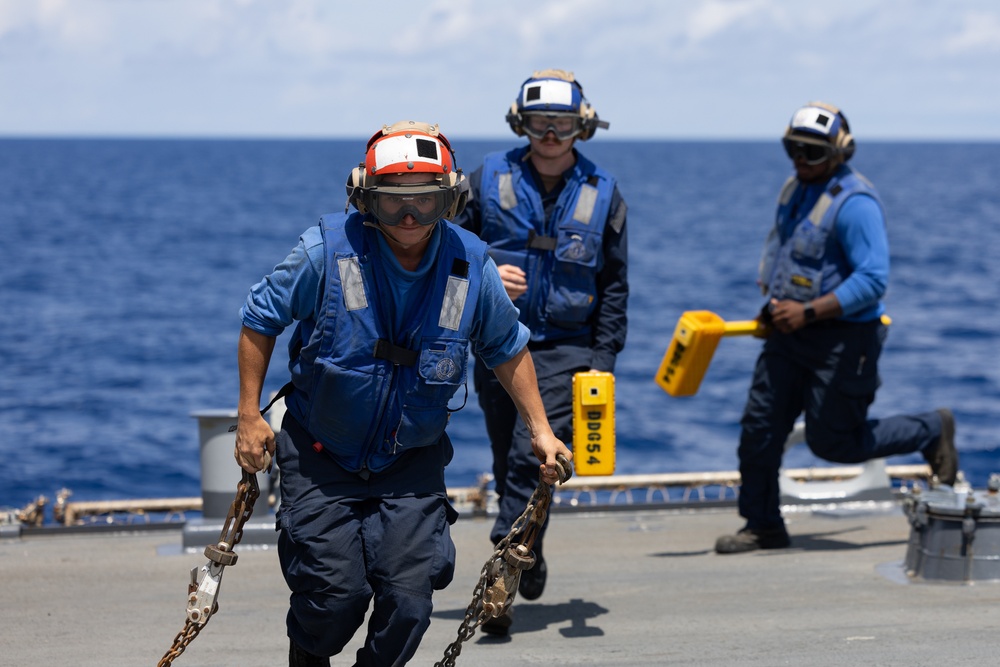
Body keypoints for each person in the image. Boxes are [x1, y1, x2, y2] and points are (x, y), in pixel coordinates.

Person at [234, 120, 573, 666]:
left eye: (426, 201)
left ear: (451, 199)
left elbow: (507, 348)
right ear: (365, 199)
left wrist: (541, 429)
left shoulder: (470, 264)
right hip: (321, 454)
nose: (410, 217)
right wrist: (250, 416)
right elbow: (259, 319)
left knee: (410, 604)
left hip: (410, 460)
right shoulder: (324, 251)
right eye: (393, 204)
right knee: (335, 598)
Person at [715, 102, 958, 555]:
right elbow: (789, 256)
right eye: (793, 149)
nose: (800, 161)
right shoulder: (795, 190)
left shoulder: (856, 204)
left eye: (811, 152)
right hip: (789, 335)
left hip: (844, 340)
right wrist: (776, 307)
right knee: (759, 432)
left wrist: (808, 312)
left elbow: (873, 280)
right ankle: (763, 525)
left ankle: (930, 430)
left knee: (836, 442)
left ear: (840, 151)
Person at [452, 69, 628, 631]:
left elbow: (616, 286)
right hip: (498, 346)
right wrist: (485, 272)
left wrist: (603, 362)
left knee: (535, 459)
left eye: (561, 124)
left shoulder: (605, 194)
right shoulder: (486, 178)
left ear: (582, 126)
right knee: (511, 466)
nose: (550, 134)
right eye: (539, 123)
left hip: (568, 351)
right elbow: (447, 249)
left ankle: (498, 584)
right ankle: (532, 546)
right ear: (520, 123)